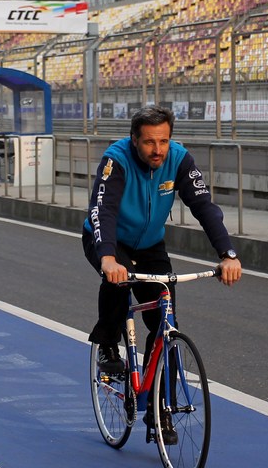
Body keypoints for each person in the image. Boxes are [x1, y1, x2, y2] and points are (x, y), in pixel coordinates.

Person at [82, 104, 242, 444]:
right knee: (118, 279)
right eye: (150, 142)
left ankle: (160, 408)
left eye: (164, 141)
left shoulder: (179, 159)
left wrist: (227, 254)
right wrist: (108, 259)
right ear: (134, 140)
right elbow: (103, 210)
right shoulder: (117, 159)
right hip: (111, 241)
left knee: (165, 324)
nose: (158, 150)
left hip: (151, 245)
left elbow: (204, 206)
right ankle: (109, 344)